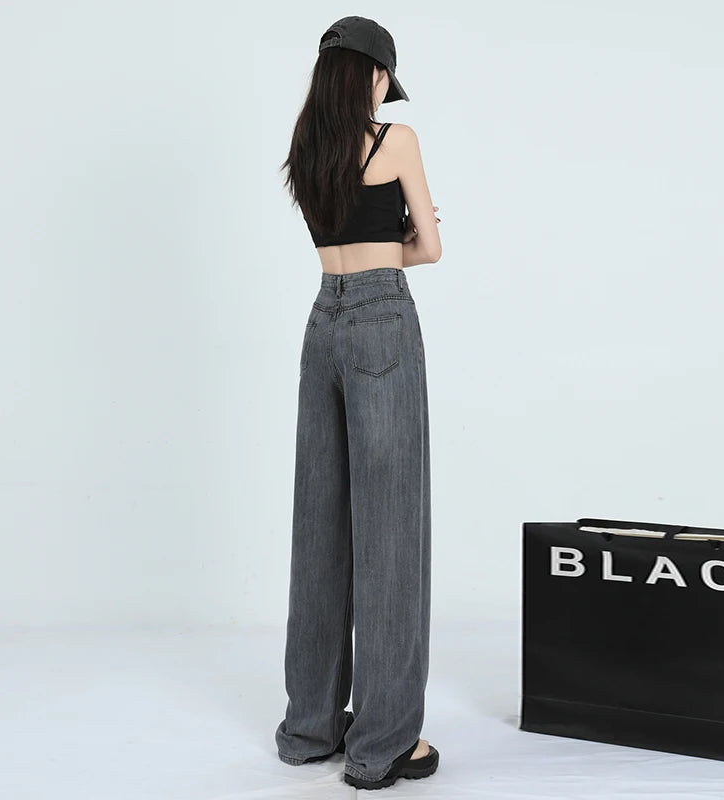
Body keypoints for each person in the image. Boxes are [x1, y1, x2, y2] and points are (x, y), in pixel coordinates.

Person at [274, 15, 442, 791]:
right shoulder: (395, 141)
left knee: (321, 525)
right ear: (374, 75)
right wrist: (405, 233)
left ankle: (311, 728)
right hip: (381, 319)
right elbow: (428, 248)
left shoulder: (307, 149)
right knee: (391, 532)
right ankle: (383, 744)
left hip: (323, 323)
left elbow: (334, 235)